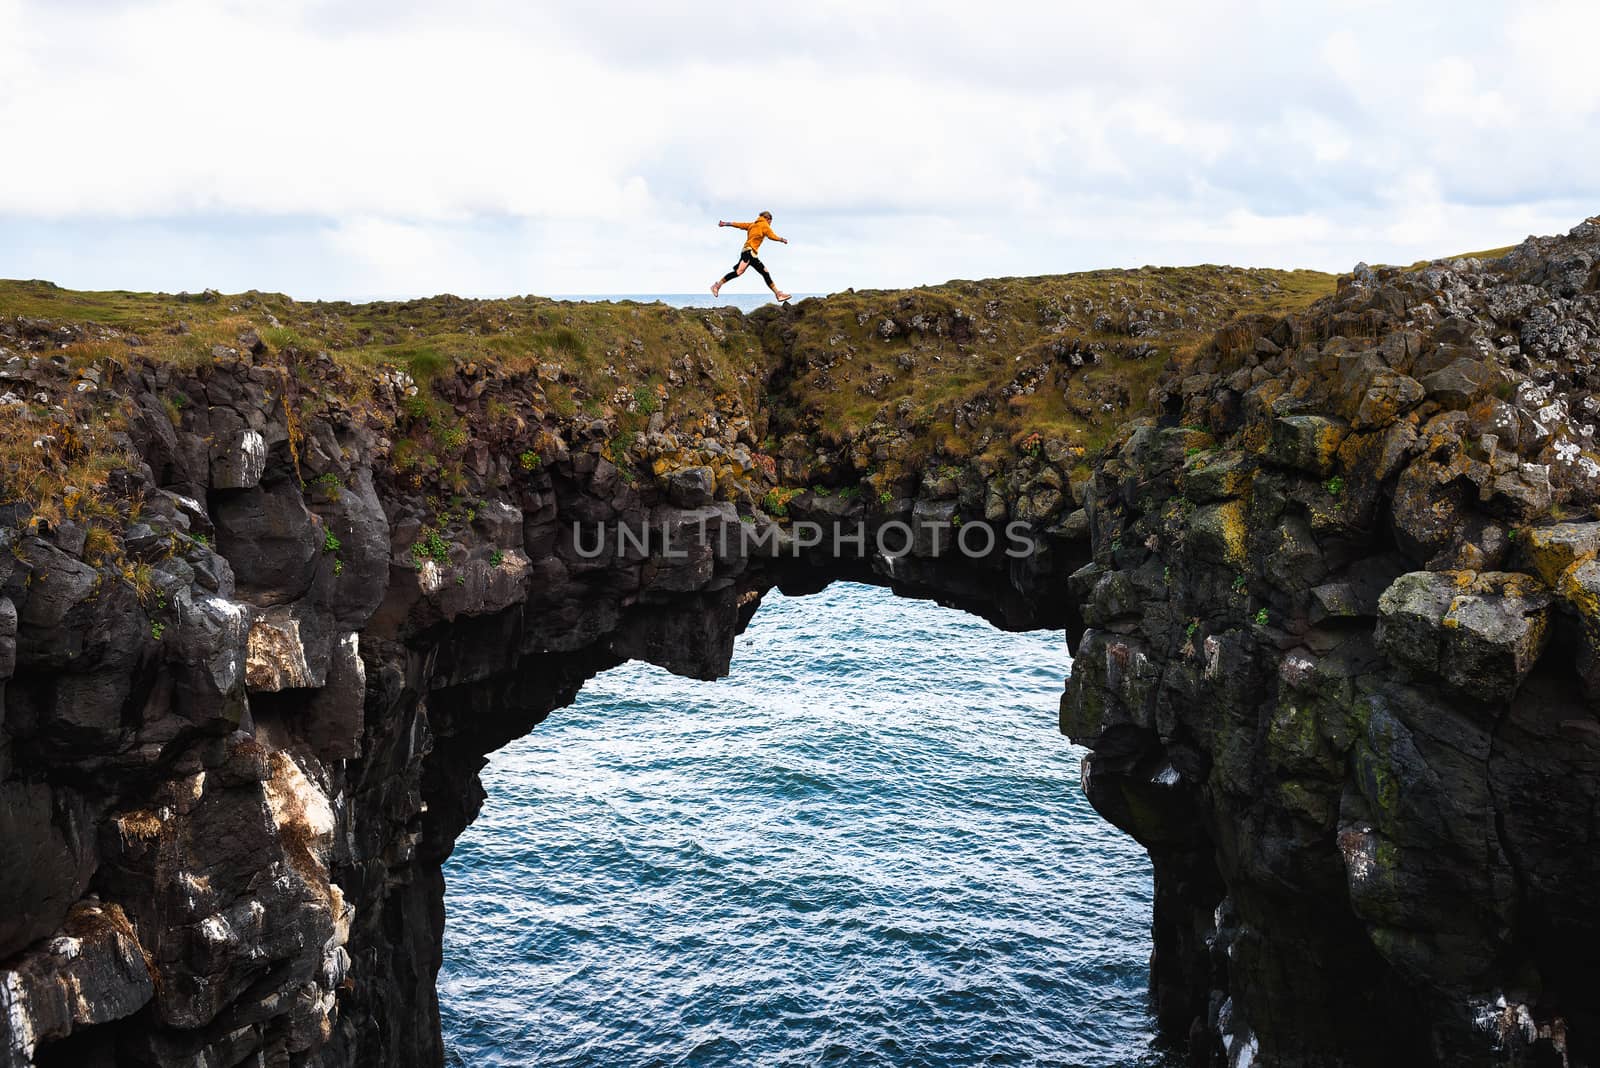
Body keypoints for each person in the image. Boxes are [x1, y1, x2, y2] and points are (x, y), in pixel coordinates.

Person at [711, 211, 791, 301]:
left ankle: (778, 294)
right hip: (749, 252)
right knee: (739, 272)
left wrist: (725, 223)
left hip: (750, 253)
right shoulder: (765, 225)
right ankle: (717, 286)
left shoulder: (752, 225)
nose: (770, 225)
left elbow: (738, 224)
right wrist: (781, 239)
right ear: (768, 219)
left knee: (765, 272)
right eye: (770, 222)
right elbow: (771, 236)